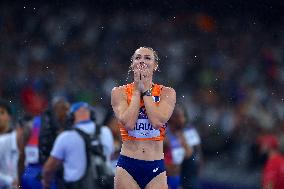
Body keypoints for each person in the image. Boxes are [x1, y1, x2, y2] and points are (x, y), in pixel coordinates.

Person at [111, 47, 176, 189]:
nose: (142, 61)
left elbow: (157, 122)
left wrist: (146, 91)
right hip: (128, 165)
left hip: (155, 165)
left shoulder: (167, 93)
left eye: (147, 58)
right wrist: (136, 91)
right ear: (132, 64)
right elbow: (128, 123)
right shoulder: (119, 92)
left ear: (155, 65)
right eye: (138, 57)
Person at [42, 102, 114, 189]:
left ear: (70, 117)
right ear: (92, 115)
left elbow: (49, 168)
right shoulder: (106, 132)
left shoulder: (65, 137)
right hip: (105, 185)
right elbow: (109, 156)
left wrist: (46, 183)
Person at [0, 114, 33, 189]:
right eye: (25, 134)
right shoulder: (2, 142)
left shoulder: (31, 144)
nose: (28, 137)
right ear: (19, 128)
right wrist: (10, 181)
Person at [164, 105, 193, 189]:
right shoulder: (165, 135)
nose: (183, 120)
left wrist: (182, 140)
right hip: (165, 178)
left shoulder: (180, 134)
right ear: (173, 118)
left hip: (176, 178)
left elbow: (189, 154)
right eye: (181, 117)